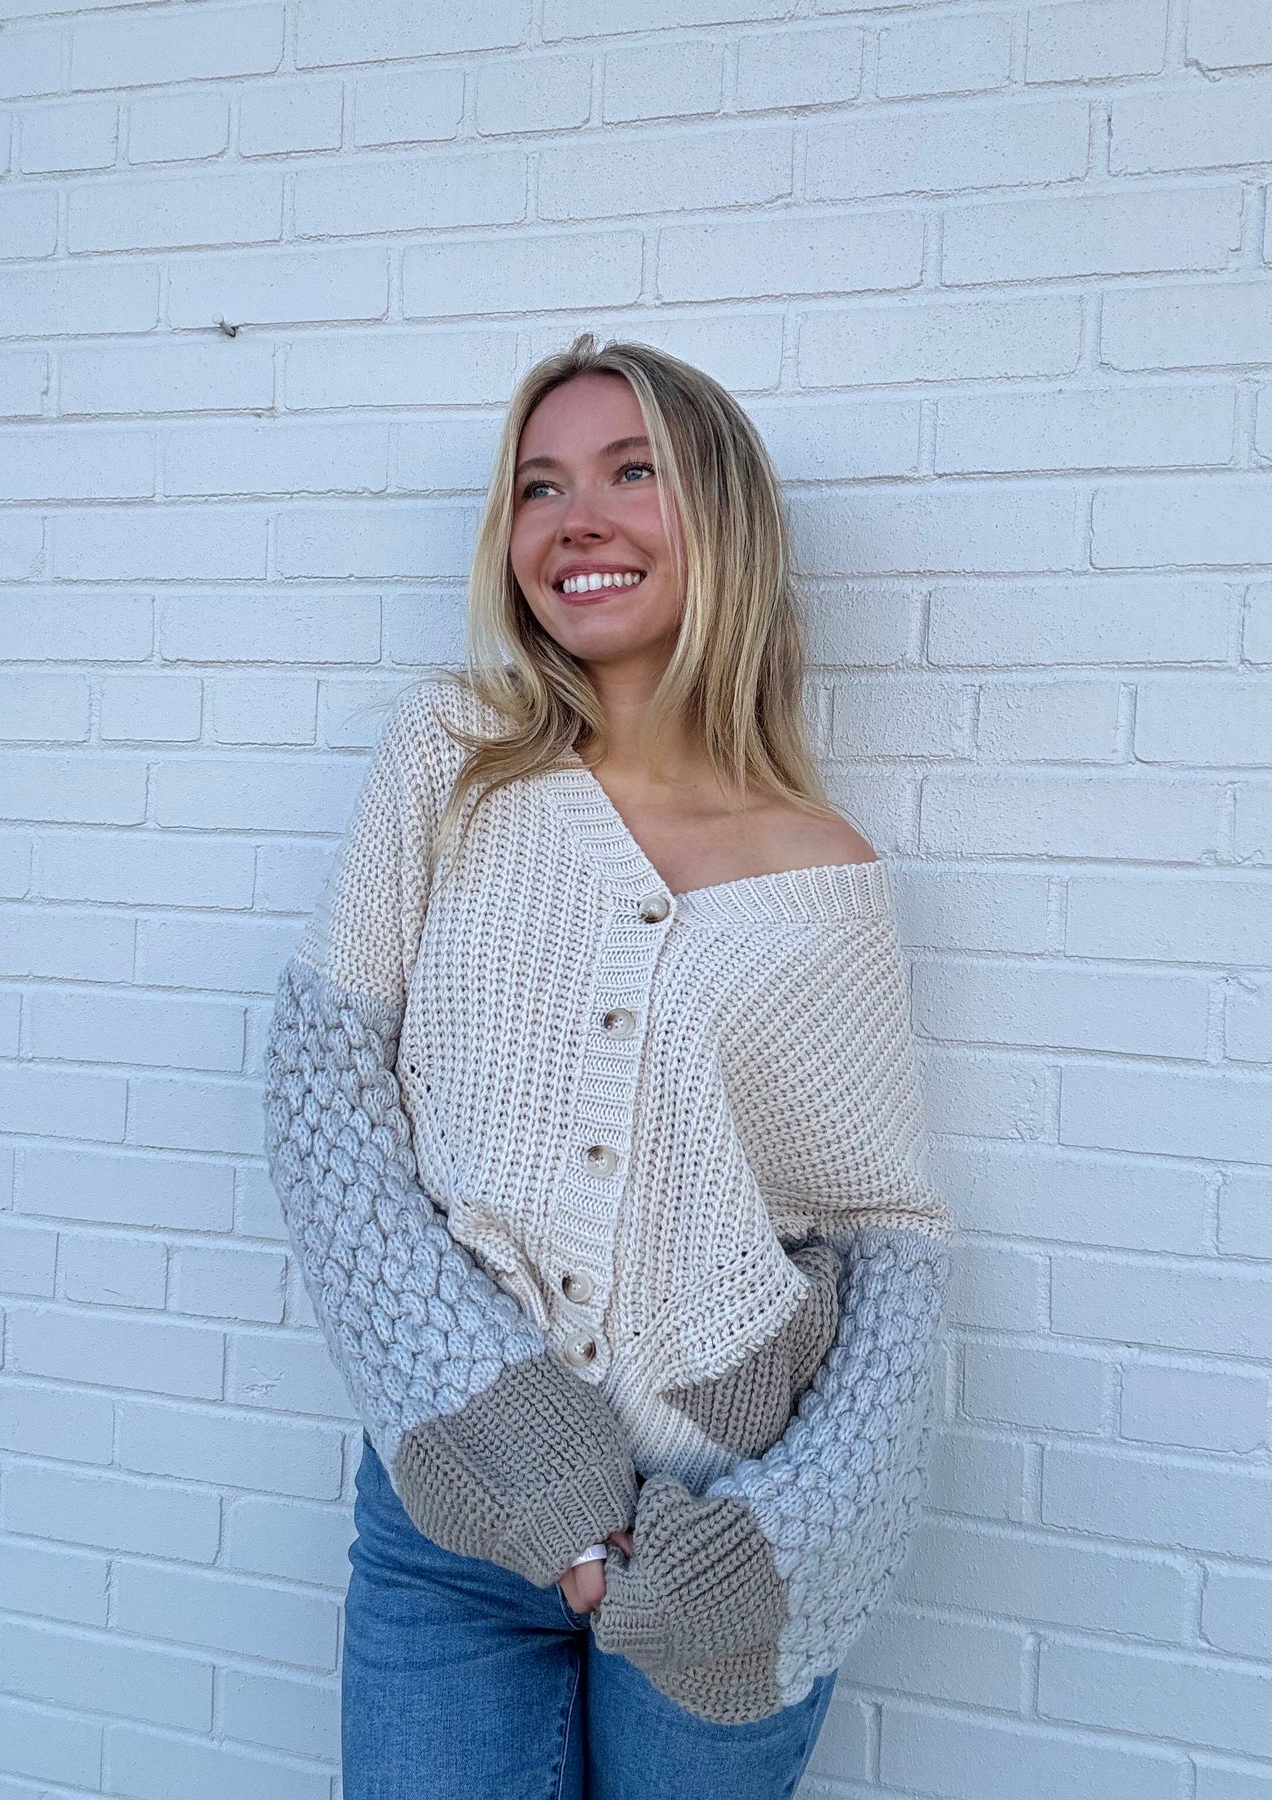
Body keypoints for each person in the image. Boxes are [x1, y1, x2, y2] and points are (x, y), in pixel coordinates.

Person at [263, 333, 954, 1800]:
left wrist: (791, 1530)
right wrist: (509, 1440)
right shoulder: (454, 762)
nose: (576, 521)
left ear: (720, 514)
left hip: (716, 1540)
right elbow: (324, 1080)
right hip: (454, 1515)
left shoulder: (820, 873)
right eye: (540, 486)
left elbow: (884, 1234)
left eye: (631, 473)